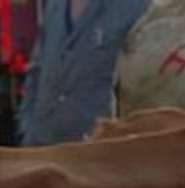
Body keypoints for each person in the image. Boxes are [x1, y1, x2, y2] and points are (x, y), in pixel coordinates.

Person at [17, 0, 150, 146]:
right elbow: (37, 71)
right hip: (42, 145)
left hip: (100, 150)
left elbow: (147, 91)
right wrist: (28, 129)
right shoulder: (55, 5)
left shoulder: (138, 7)